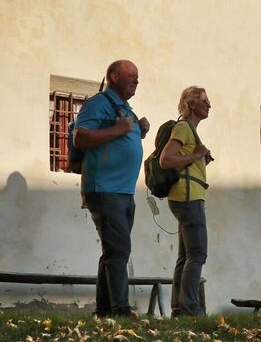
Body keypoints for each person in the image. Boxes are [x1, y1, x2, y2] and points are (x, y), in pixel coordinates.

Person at [73, 60, 150, 318]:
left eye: (138, 77)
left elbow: (122, 137)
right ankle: (120, 310)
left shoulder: (124, 107)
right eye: (132, 76)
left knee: (112, 251)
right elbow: (80, 137)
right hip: (104, 188)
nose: (136, 80)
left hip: (123, 191)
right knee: (118, 250)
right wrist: (119, 129)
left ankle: (104, 311)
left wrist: (140, 131)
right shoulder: (98, 103)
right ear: (113, 77)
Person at [159, 86, 212, 316]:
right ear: (191, 104)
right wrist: (196, 155)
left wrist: (199, 158)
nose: (209, 105)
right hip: (189, 198)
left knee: (186, 256)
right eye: (204, 101)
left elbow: (182, 159)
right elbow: (166, 159)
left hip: (184, 197)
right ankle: (191, 308)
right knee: (198, 254)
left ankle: (179, 309)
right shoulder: (183, 127)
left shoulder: (190, 129)